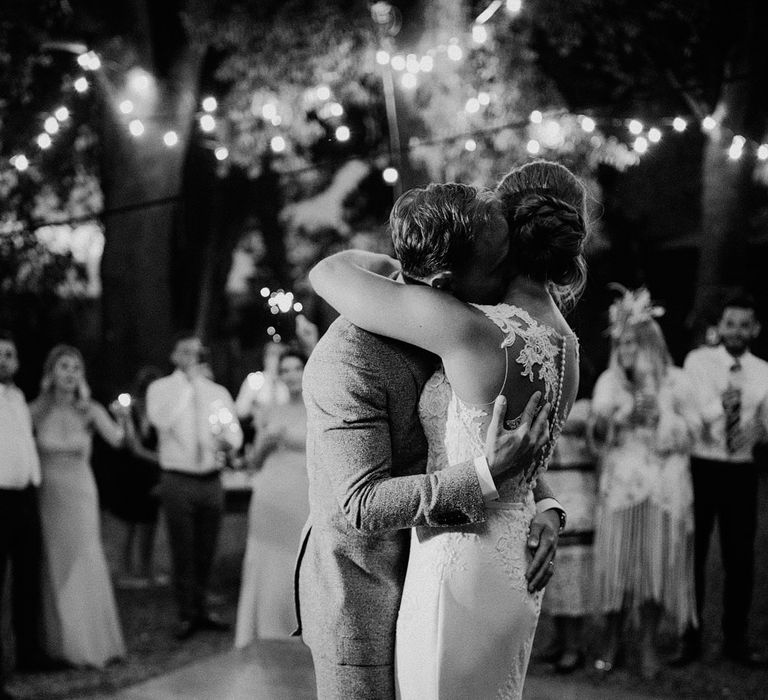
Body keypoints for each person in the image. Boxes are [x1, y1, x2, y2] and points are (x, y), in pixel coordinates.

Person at [303, 163, 583, 699]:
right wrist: (488, 477)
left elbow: (493, 435)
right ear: (444, 283)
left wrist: (542, 503)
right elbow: (358, 505)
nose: (509, 276)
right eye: (501, 261)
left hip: (454, 568)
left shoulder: (474, 326)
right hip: (366, 591)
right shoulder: (350, 356)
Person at [589, 287, 700, 680]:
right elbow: (597, 435)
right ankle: (612, 640)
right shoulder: (609, 383)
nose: (625, 351)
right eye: (620, 344)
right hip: (621, 486)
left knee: (654, 565)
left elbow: (695, 434)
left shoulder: (677, 383)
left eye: (632, 343)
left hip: (663, 487)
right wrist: (620, 417)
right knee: (618, 566)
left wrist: (660, 420)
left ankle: (649, 642)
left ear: (651, 342)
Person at [677, 293, 768, 666]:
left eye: (744, 325)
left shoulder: (763, 370)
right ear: (720, 326)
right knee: (692, 555)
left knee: (739, 557)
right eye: (730, 323)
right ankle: (689, 638)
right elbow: (693, 413)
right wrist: (724, 404)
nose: (736, 331)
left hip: (741, 470)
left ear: (755, 330)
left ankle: (736, 639)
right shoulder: (698, 362)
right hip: (702, 465)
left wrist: (762, 429)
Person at [30, 344, 126, 668]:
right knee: (55, 561)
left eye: (75, 368)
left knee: (86, 555)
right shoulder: (35, 410)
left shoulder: (89, 409)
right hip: (49, 496)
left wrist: (125, 418)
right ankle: (59, 644)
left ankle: (90, 642)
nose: (70, 373)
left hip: (82, 493)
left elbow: (117, 439)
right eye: (64, 367)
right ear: (51, 372)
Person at [146, 334, 243, 641]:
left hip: (211, 479)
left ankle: (201, 608)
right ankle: (186, 613)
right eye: (185, 351)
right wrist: (188, 388)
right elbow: (161, 422)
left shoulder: (217, 391)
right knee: (183, 548)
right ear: (174, 355)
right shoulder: (161, 389)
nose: (192, 357)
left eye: (196, 352)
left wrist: (229, 440)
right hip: (178, 478)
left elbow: (235, 433)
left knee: (206, 548)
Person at [235, 348, 310, 646]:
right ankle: (265, 629)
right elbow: (253, 462)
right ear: (278, 376)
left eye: (296, 368)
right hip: (270, 493)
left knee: (298, 558)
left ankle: (301, 628)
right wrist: (265, 442)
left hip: (302, 493)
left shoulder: (318, 408)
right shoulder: (268, 411)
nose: (291, 375)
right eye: (285, 370)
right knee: (267, 561)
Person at [0, 331, 57, 699]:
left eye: (10, 355)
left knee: (28, 579)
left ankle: (29, 653)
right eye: (0, 355)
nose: (5, 360)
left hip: (25, 497)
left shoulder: (18, 397)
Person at [538, 395, 596, 674]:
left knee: (574, 572)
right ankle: (559, 639)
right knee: (555, 569)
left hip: (577, 486)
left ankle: (575, 645)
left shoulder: (587, 405)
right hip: (551, 486)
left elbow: (595, 435)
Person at [111, 366, 164, 588]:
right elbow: (134, 447)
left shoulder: (160, 411)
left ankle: (146, 570)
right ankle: (125, 572)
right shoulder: (129, 409)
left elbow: (161, 441)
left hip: (151, 475)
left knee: (149, 523)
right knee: (129, 523)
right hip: (131, 473)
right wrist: (163, 459)